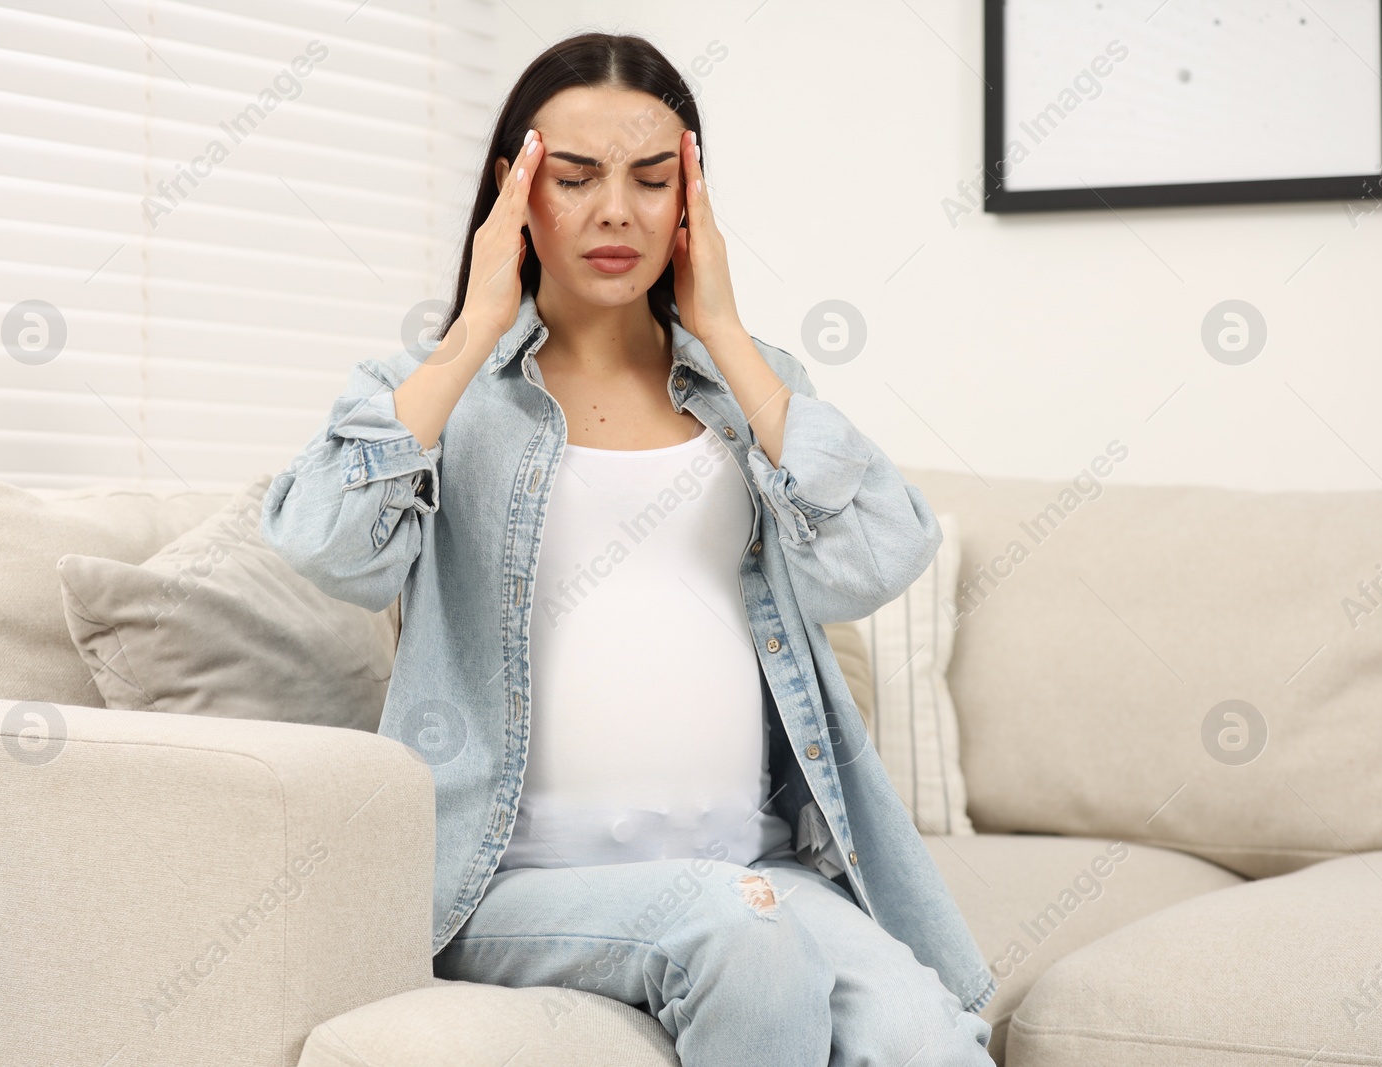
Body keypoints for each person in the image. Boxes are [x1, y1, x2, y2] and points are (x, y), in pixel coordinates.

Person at [261, 31, 996, 1067]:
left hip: (757, 866)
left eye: (653, 180)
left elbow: (875, 560)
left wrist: (730, 338)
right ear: (516, 195)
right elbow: (330, 544)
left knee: (936, 1044)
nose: (617, 209)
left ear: (689, 204)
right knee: (737, 931)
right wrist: (472, 331)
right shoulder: (428, 392)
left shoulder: (755, 387)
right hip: (506, 883)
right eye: (575, 177)